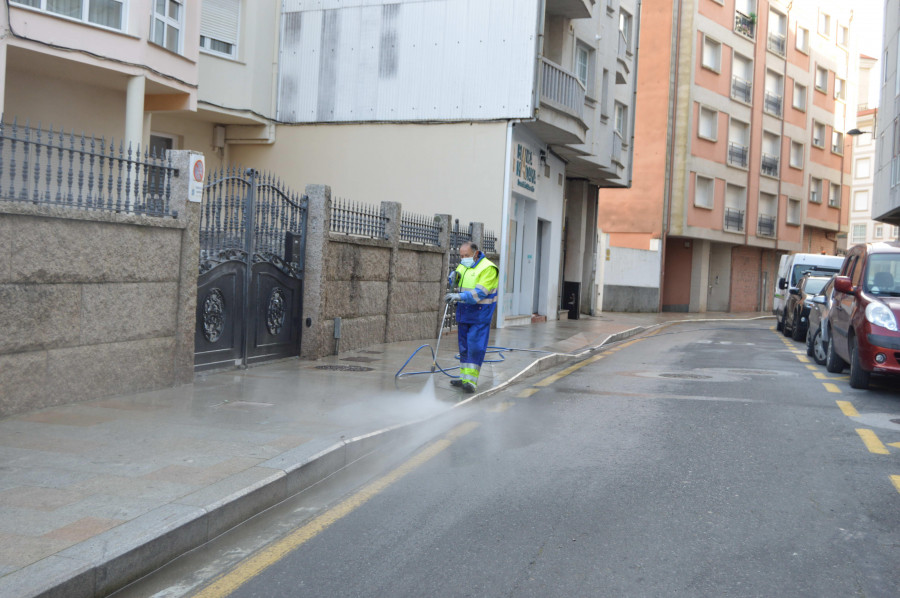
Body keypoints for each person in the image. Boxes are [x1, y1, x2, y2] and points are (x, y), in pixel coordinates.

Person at [444, 242, 499, 393]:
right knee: (464, 348)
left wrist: (458, 295)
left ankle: (471, 382)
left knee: (475, 347)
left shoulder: (488, 268)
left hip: (479, 314)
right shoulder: (463, 265)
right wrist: (453, 279)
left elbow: (479, 293)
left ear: (476, 253)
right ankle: (464, 378)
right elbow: (461, 283)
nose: (463, 259)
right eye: (461, 256)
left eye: (466, 256)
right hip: (464, 313)